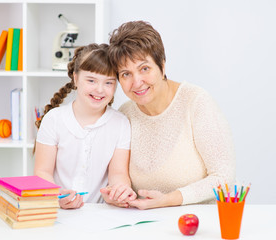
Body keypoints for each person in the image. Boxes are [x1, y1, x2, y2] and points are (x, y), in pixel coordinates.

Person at [101, 21, 236, 209]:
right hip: (144, 222)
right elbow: (119, 177)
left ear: (162, 66)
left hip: (197, 223)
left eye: (144, 69)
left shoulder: (195, 102)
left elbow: (224, 176)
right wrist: (116, 193)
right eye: (126, 74)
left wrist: (169, 199)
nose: (137, 82)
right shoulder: (125, 114)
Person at [34, 43, 137, 209]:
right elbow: (42, 172)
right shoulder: (54, 119)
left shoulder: (121, 123)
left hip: (101, 213)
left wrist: (118, 191)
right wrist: (57, 196)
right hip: (57, 211)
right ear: (76, 78)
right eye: (91, 80)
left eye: (109, 83)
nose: (100, 89)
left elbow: (118, 174)